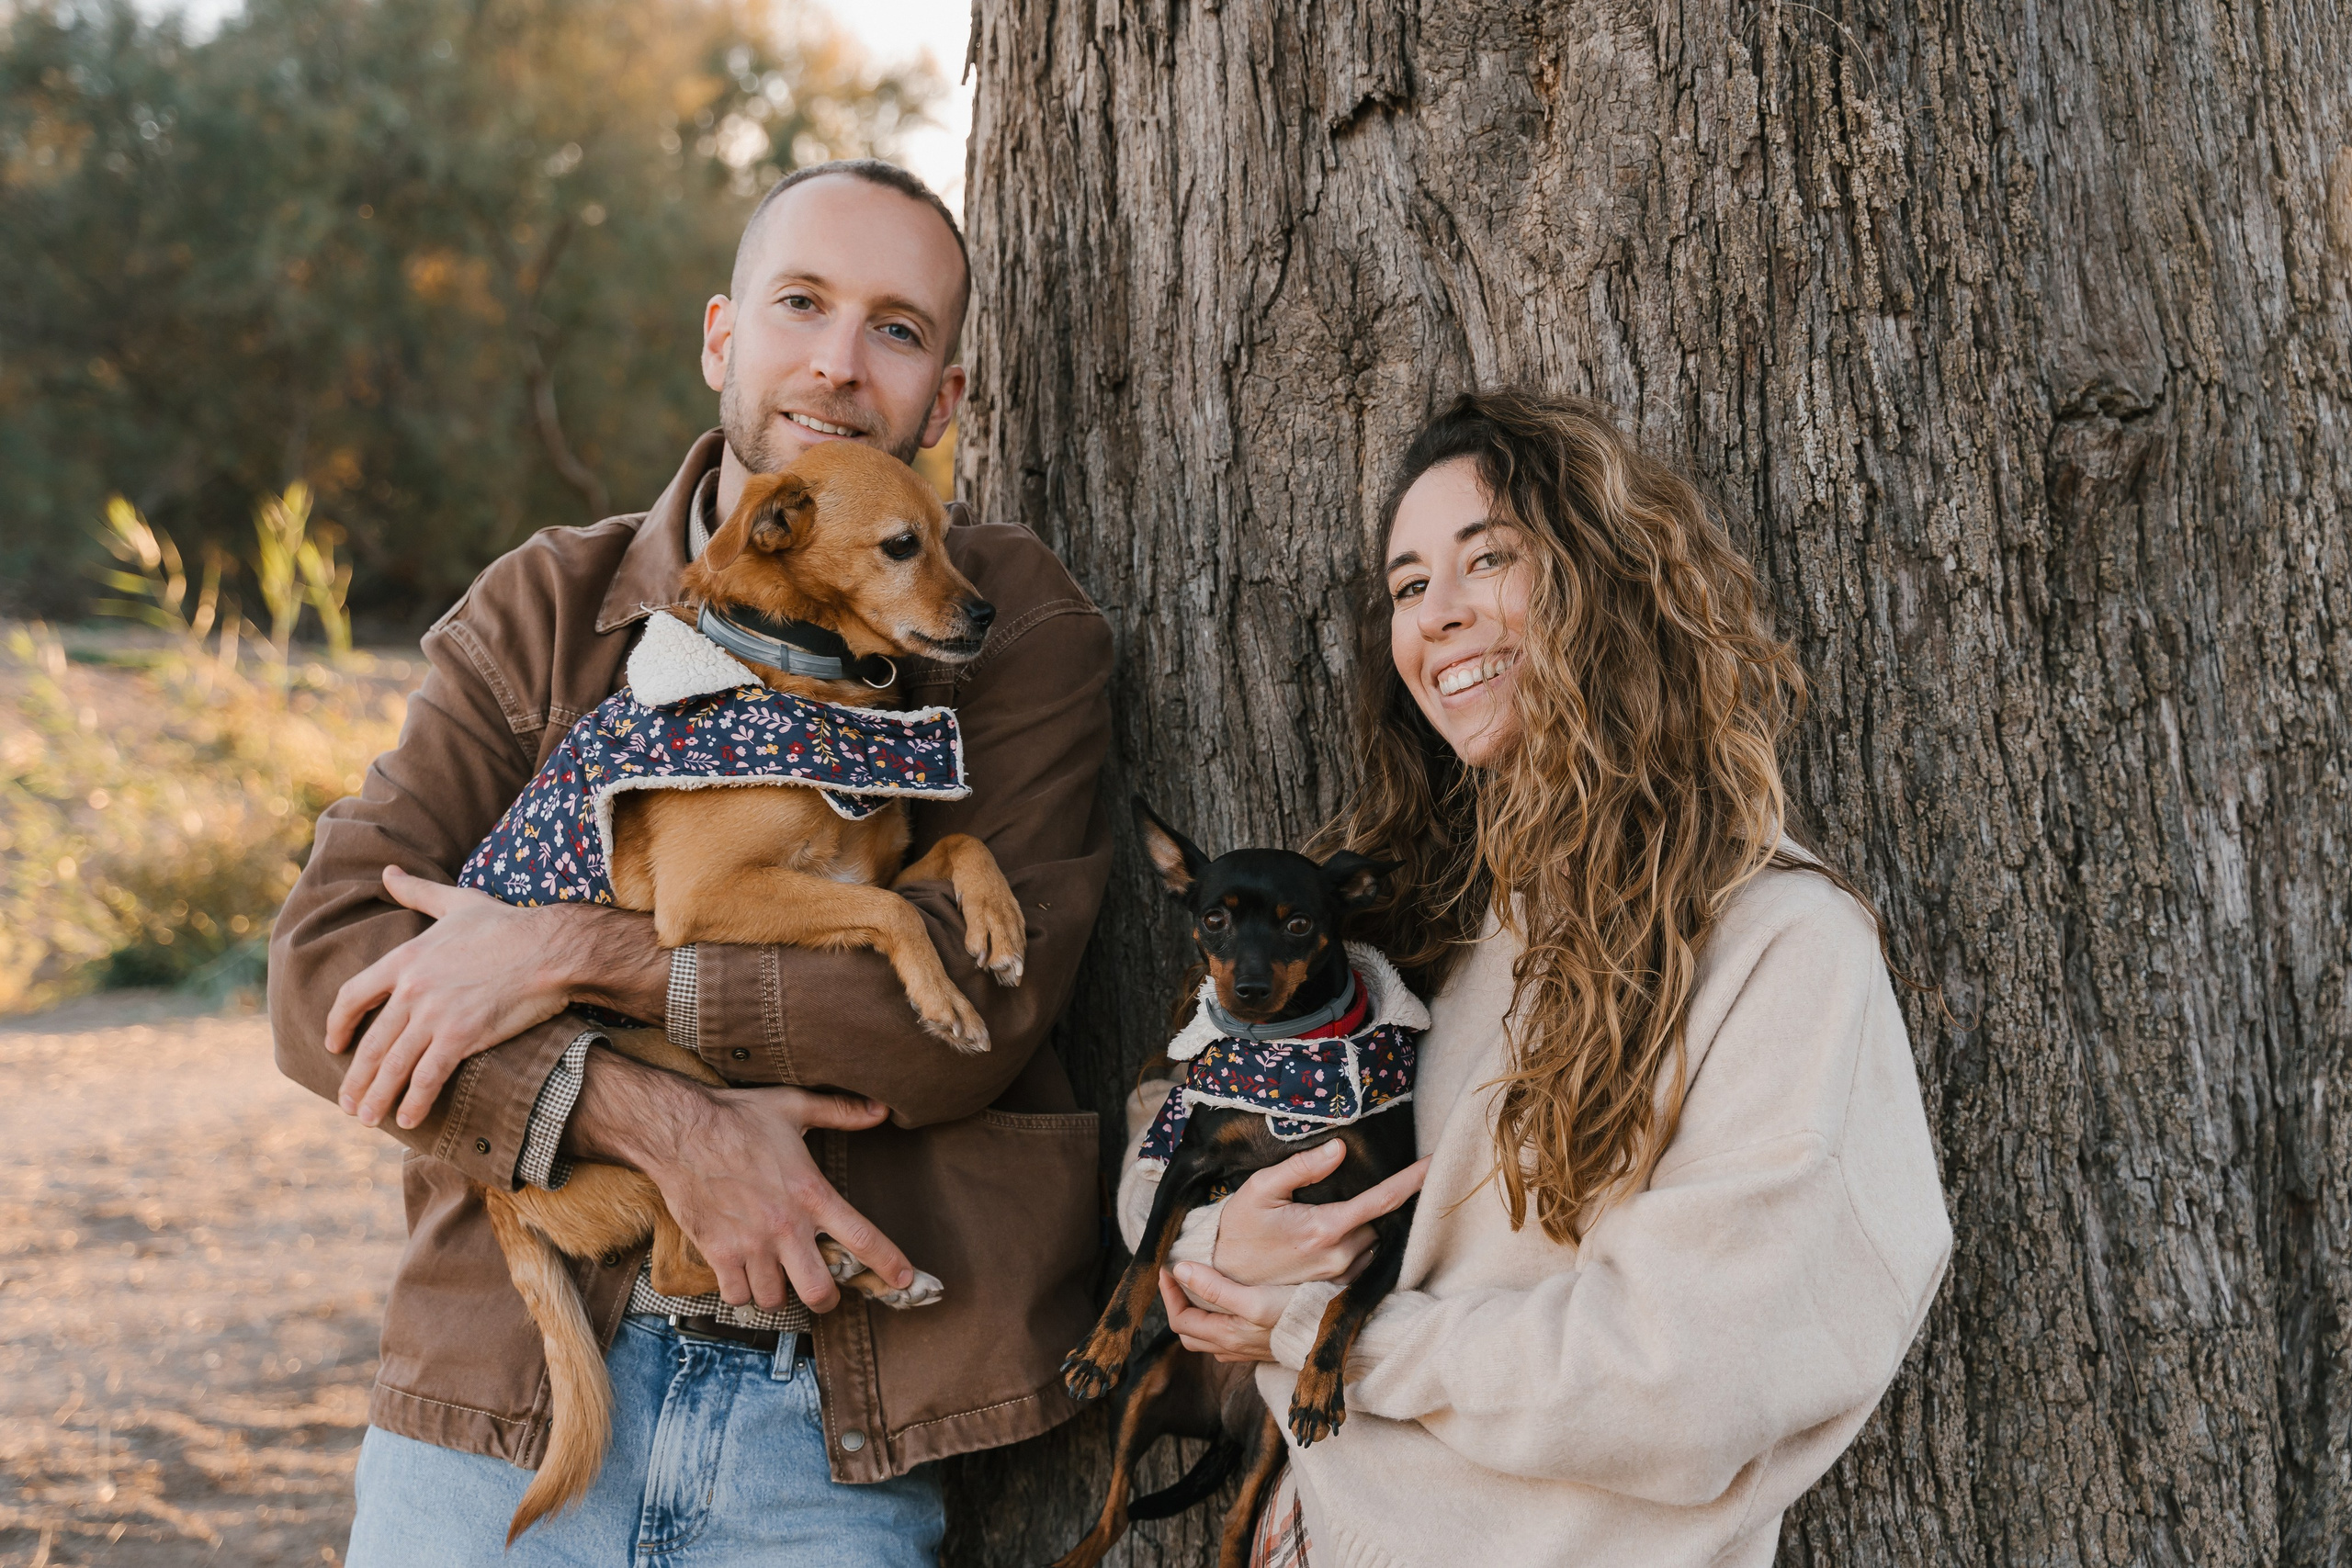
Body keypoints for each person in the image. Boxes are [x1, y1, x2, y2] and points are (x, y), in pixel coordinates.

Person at [268, 160, 1114, 1566]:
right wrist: (658, 1121)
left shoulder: (1010, 630)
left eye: (898, 329)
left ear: (946, 400)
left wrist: (569, 949)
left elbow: (965, 1023)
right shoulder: (546, 604)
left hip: (825, 1426)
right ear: (723, 335)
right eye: (802, 304)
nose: (840, 364)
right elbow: (327, 973)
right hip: (497, 1399)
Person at [1121, 389, 1951, 1566]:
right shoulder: (1411, 920)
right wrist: (1212, 1243)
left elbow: (1686, 1379)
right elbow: (1165, 1123)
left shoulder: (1777, 945)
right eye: (1409, 587)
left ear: (1602, 585)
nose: (1439, 616)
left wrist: (1331, 1334)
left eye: (1488, 560)